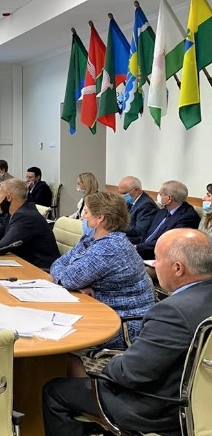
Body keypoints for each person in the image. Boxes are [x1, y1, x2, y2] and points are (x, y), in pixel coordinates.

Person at [42, 229, 212, 436]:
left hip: (159, 410)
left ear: (178, 268)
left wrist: (104, 366)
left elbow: (130, 374)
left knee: (55, 391)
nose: (153, 264)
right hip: (203, 405)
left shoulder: (172, 312)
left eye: (157, 259)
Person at [50, 192, 154, 349]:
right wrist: (73, 281)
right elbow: (58, 264)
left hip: (122, 324)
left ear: (100, 218)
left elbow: (68, 279)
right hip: (101, 310)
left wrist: (71, 280)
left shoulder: (110, 247)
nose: (82, 217)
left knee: (53, 333)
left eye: (86, 212)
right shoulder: (91, 239)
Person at [134, 180, 200, 260]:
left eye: (161, 194)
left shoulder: (188, 217)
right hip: (143, 249)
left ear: (169, 198)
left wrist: (138, 247)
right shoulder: (163, 211)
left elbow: (169, 243)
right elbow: (148, 235)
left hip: (158, 256)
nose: (159, 197)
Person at [117, 176, 158, 243]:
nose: (122, 196)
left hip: (135, 241)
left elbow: (139, 231)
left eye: (124, 193)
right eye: (120, 193)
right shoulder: (131, 201)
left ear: (136, 190)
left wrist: (117, 227)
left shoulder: (146, 205)